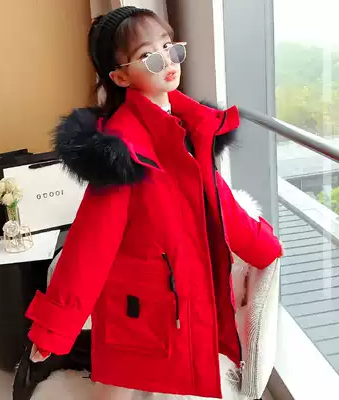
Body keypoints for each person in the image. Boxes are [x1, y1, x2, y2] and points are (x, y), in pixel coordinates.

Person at [25, 6, 283, 400]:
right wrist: (53, 328)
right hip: (152, 312)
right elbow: (91, 244)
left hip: (183, 298)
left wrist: (264, 246)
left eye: (170, 46)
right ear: (121, 76)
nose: (168, 61)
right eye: (150, 56)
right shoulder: (124, 149)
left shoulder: (189, 123)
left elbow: (217, 201)